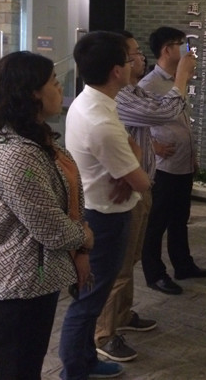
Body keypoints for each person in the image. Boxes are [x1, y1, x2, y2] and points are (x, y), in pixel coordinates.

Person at [0, 51, 94, 380]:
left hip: (35, 280)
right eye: (53, 82)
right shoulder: (15, 154)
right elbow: (50, 228)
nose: (60, 88)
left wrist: (80, 247)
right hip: (18, 285)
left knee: (28, 366)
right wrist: (84, 237)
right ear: (32, 94)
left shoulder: (35, 139)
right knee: (18, 371)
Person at [94, 30, 194, 362]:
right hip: (121, 193)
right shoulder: (120, 97)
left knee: (129, 261)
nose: (140, 58)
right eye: (133, 54)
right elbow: (164, 113)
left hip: (139, 187)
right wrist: (182, 77)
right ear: (117, 64)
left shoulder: (131, 90)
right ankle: (104, 333)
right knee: (117, 267)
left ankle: (122, 316)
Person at [59, 31, 151, 379]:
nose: (134, 64)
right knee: (89, 300)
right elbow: (142, 181)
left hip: (97, 210)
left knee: (92, 296)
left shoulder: (92, 102)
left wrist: (128, 166)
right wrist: (130, 169)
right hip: (104, 219)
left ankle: (85, 360)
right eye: (129, 59)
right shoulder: (99, 120)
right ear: (116, 70)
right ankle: (74, 370)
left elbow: (131, 153)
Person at [139, 26, 206, 296]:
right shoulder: (148, 85)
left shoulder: (176, 81)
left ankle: (183, 264)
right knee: (156, 223)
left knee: (180, 218)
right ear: (167, 49)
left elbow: (181, 121)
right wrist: (153, 146)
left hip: (182, 163)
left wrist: (192, 155)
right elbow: (134, 124)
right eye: (182, 44)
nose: (187, 50)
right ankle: (155, 274)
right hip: (163, 167)